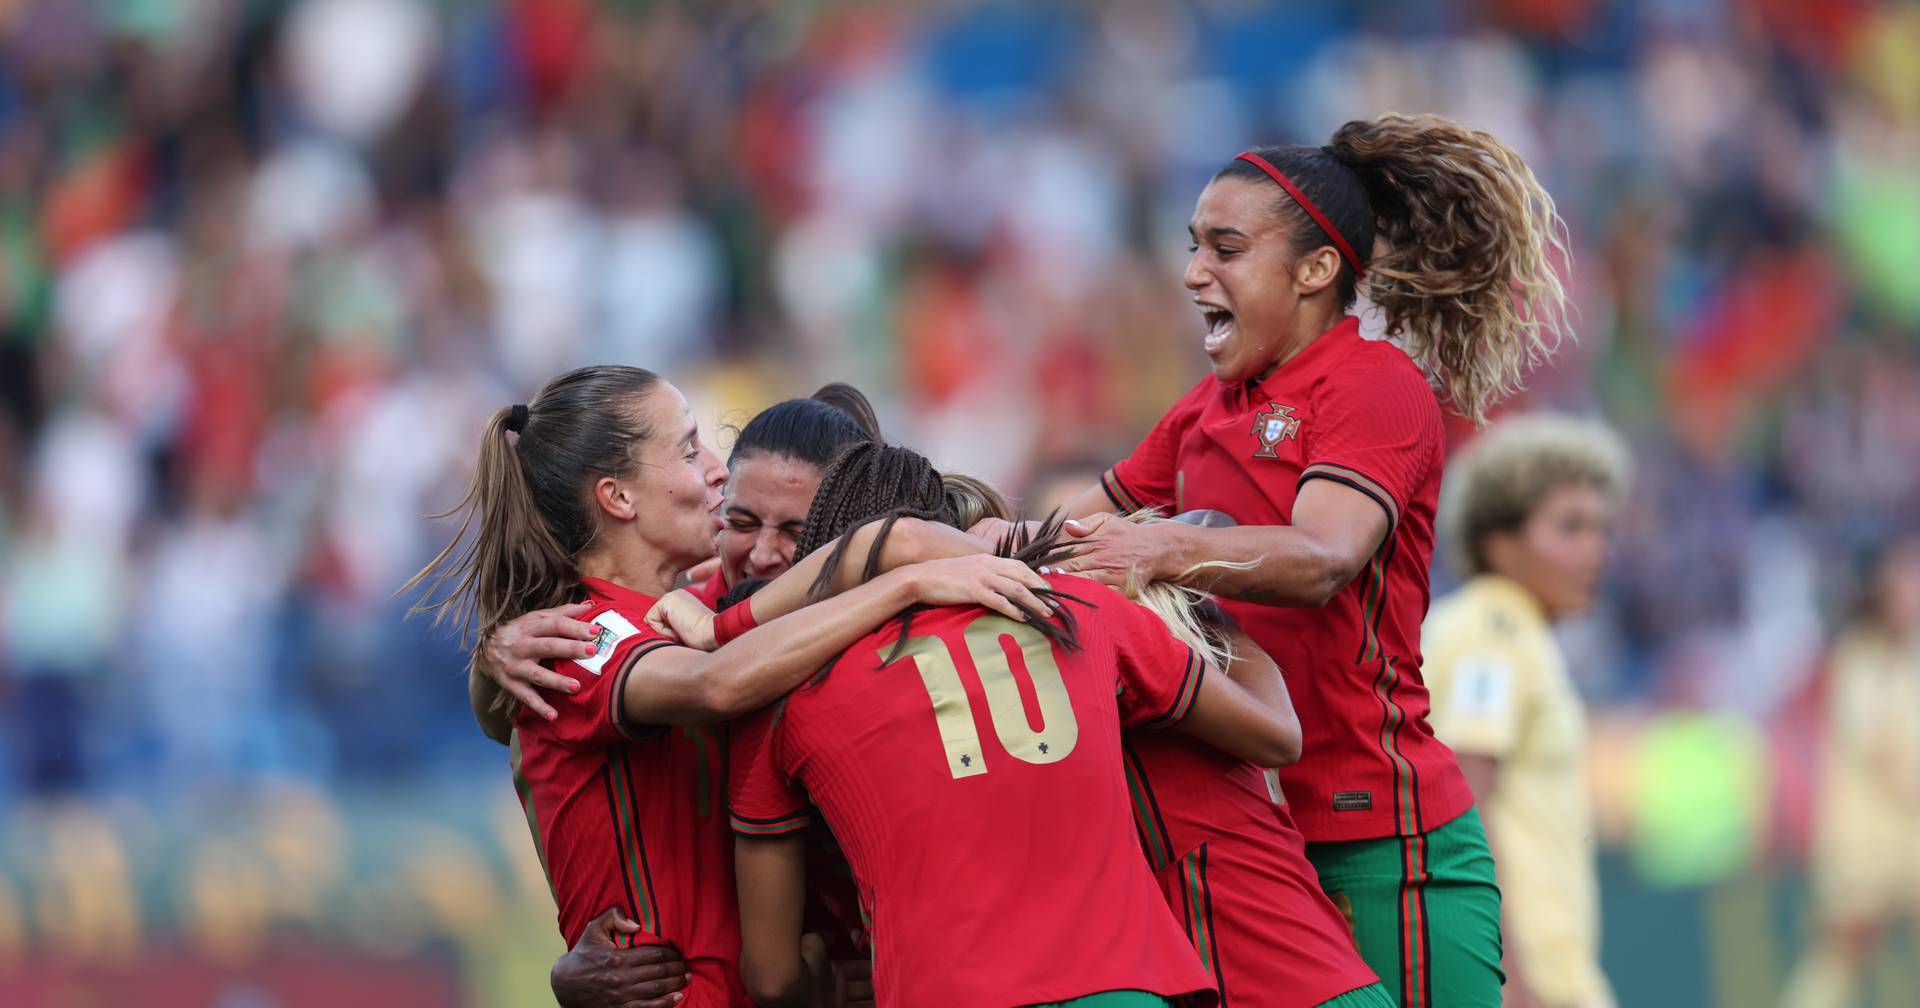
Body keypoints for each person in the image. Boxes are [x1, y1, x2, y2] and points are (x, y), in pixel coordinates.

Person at [994, 113, 1573, 1007]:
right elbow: (1061, 533)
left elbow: (1323, 556)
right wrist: (910, 551)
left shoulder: (1372, 383)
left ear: (1316, 269)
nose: (1193, 273)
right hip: (1251, 839)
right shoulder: (1207, 407)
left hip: (1380, 836)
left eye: (1226, 248)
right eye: (1192, 247)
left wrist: (1159, 547)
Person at [406, 366, 1050, 1007]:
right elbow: (716, 683)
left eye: (797, 532)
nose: (717, 469)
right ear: (618, 498)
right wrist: (905, 580)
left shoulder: (697, 609)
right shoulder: (581, 637)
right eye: (688, 449)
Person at [658, 441, 1304, 1008]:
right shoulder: (1084, 609)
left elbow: (770, 979)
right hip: (1126, 983)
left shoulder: (781, 697)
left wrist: (825, 984)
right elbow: (1278, 736)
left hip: (944, 989)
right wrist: (1195, 598)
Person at [1420, 415, 1630, 1008]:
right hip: (1528, 980)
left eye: (1601, 528)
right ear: (1498, 540)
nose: (1597, 549)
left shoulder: (1515, 633)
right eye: (1571, 527)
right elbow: (1465, 801)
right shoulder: (1497, 625)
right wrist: (1507, 977)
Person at [1780, 535, 1920, 1008]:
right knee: (1845, 947)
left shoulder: (1908, 661)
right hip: (1865, 839)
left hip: (1910, 839)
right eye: (1907, 582)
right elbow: (1880, 749)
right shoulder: (1860, 658)